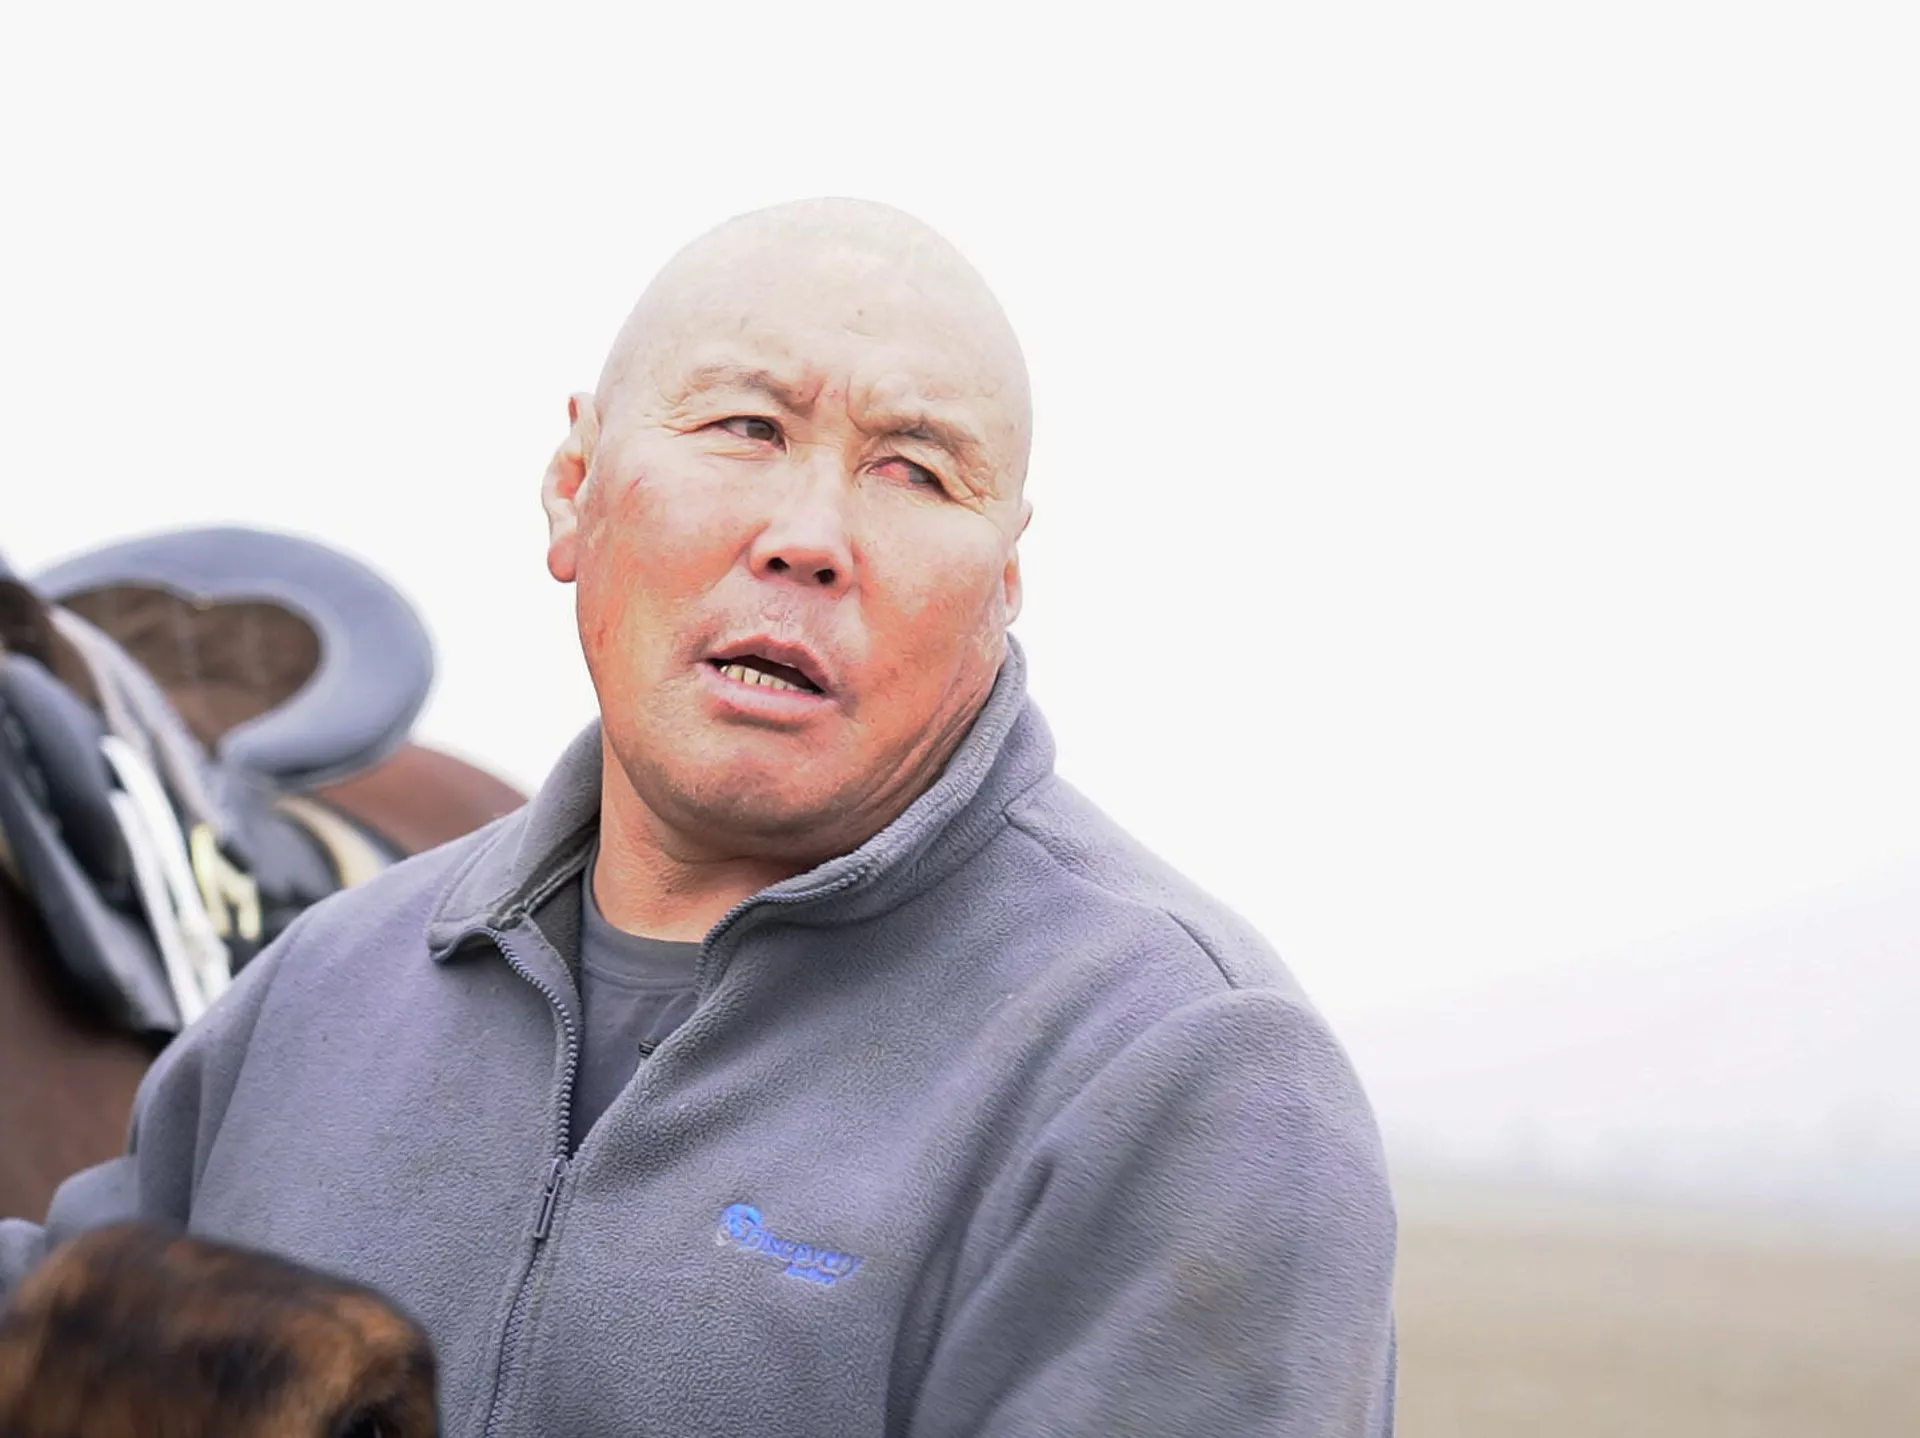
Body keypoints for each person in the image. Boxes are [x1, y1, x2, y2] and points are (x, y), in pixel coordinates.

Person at [0, 198, 1397, 1435]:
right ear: (573, 490)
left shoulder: (1181, 1079)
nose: (810, 536)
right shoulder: (320, 990)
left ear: (1004, 585)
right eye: (746, 427)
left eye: (917, 468)